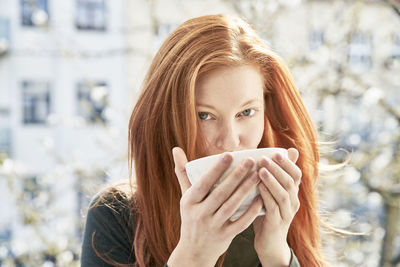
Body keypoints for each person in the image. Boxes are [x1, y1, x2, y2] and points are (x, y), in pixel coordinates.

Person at [81, 14, 327, 267]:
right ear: (166, 119)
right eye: (205, 116)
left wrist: (276, 253)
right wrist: (193, 256)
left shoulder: (285, 207)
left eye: (246, 112)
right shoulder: (117, 215)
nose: (230, 141)